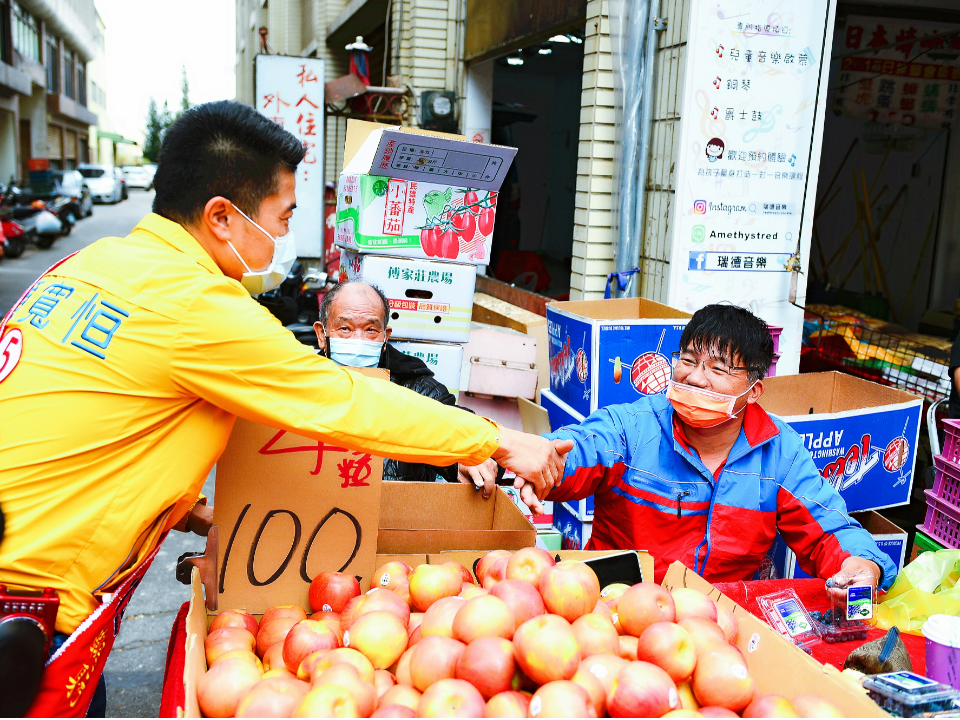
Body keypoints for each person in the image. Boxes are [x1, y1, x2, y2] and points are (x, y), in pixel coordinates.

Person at [0, 101, 569, 715]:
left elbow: (90, 422)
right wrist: (497, 440)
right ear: (222, 216)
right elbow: (342, 402)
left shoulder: (90, 265)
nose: (285, 234)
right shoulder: (195, 304)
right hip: (27, 610)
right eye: (282, 215)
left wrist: (184, 508)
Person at [545, 304, 897, 592]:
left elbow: (828, 529)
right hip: (616, 604)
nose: (696, 377)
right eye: (688, 360)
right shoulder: (633, 426)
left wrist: (861, 563)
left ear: (753, 391)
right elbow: (573, 451)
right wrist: (517, 457)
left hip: (719, 622)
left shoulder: (779, 452)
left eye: (718, 368)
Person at [314, 279, 501, 495]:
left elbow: (472, 434)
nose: (359, 340)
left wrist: (466, 457)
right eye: (345, 328)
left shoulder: (417, 388)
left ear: (386, 337)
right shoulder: (299, 387)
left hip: (396, 521)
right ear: (322, 334)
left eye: (371, 330)